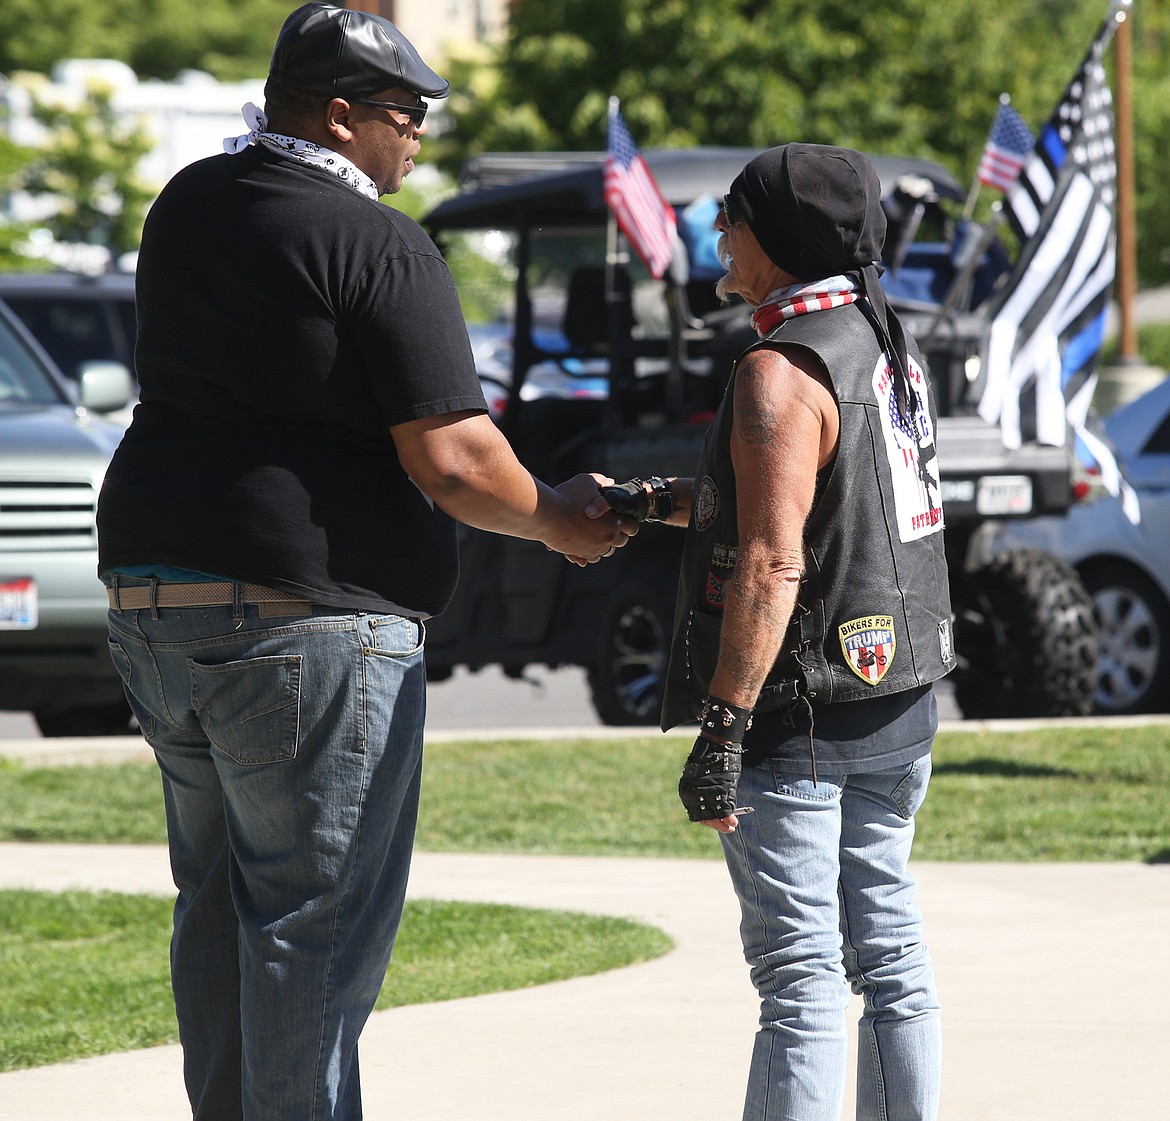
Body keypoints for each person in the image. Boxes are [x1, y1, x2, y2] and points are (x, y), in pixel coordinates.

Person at [95, 5, 633, 1119]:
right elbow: (454, 459)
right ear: (340, 119)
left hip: (154, 602)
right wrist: (558, 519)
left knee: (217, 903)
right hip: (306, 624)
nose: (420, 133)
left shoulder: (187, 203)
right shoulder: (377, 241)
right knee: (311, 925)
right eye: (406, 112)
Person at [601, 143, 956, 1121]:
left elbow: (773, 559)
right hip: (901, 698)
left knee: (799, 982)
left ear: (781, 240)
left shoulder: (780, 366)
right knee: (890, 961)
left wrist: (721, 731)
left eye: (732, 218)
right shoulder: (883, 340)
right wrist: (647, 502)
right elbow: (822, 508)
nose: (716, 233)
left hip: (801, 717)